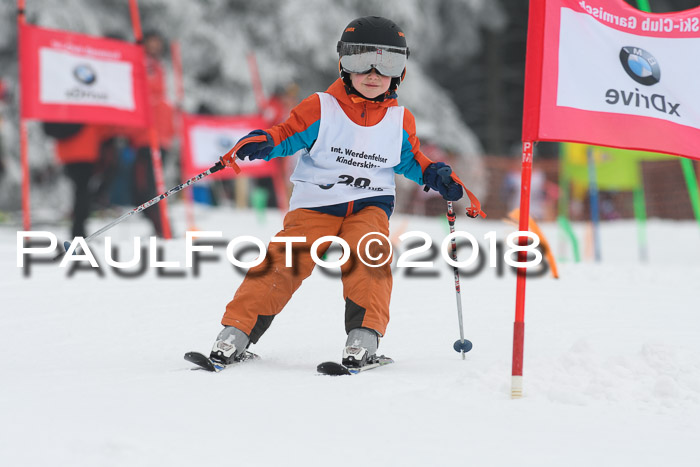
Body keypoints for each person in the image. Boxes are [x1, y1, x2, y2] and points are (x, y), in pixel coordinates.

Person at [207, 16, 482, 368]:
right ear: (343, 65)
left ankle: (363, 337)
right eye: (360, 61)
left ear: (399, 73)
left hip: (370, 205)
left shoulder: (400, 120)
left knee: (370, 253)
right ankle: (236, 333)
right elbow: (288, 133)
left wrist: (433, 173)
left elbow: (410, 160)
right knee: (283, 260)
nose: (372, 74)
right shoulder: (322, 107)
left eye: (386, 66)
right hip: (316, 204)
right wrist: (266, 143)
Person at [128, 30, 175, 236]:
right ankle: (161, 227)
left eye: (158, 42)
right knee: (144, 188)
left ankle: (162, 228)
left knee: (149, 186)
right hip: (144, 136)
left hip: (158, 137)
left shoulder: (157, 66)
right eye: (151, 42)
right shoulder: (143, 64)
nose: (155, 46)